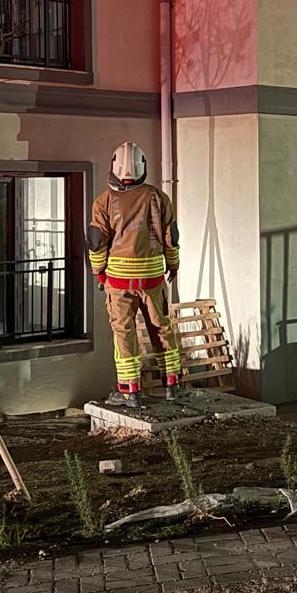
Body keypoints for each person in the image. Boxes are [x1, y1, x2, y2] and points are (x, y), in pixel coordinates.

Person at [88, 142, 183, 408]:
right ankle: (172, 385)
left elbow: (96, 242)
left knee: (124, 332)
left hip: (118, 281)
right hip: (153, 278)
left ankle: (130, 392)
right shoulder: (158, 197)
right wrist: (173, 264)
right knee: (161, 327)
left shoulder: (104, 201)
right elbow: (171, 237)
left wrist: (99, 273)